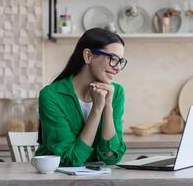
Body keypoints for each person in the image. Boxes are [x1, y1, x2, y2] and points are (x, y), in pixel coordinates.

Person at [35, 28, 127, 166]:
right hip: (55, 179)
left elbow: (111, 157)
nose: (118, 67)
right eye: (112, 58)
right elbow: (70, 159)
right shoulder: (51, 96)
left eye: (120, 61)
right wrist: (97, 109)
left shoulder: (116, 92)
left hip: (95, 180)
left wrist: (107, 106)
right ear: (88, 56)